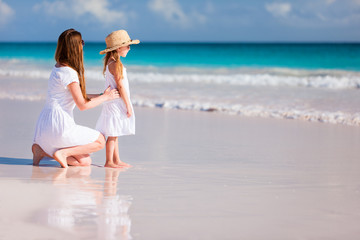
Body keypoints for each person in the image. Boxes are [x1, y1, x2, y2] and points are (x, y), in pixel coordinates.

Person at [32, 29, 120, 168]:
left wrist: (102, 95)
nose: (83, 46)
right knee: (100, 141)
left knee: (85, 162)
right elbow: (82, 105)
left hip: (43, 127)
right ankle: (62, 154)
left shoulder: (58, 68)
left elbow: (74, 95)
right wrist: (104, 98)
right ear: (75, 47)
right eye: (82, 42)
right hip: (59, 127)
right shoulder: (70, 73)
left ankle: (42, 151)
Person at [95, 30, 139, 168]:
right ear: (119, 48)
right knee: (113, 134)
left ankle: (116, 160)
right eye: (127, 46)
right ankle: (109, 162)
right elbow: (121, 86)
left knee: (115, 132)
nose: (129, 48)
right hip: (116, 102)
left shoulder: (111, 61)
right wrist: (128, 105)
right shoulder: (116, 64)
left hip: (112, 102)